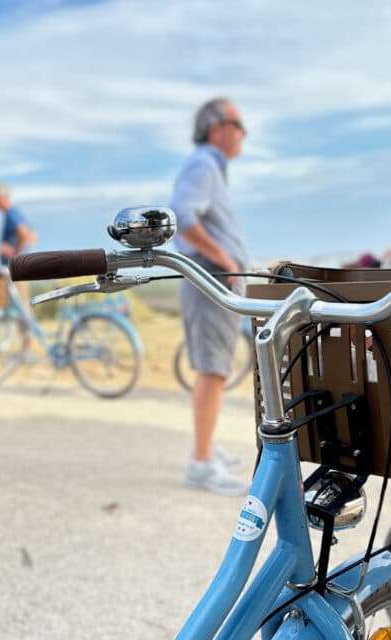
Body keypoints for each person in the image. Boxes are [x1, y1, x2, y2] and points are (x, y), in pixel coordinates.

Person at [170, 97, 250, 496]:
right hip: (211, 277)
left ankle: (206, 448)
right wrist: (224, 258)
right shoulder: (204, 163)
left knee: (213, 367)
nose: (245, 132)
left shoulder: (209, 166)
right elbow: (182, 216)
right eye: (239, 124)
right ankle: (201, 463)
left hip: (214, 277)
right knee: (213, 369)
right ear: (217, 126)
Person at [0, 182, 36, 307]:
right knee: (20, 304)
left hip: (16, 267)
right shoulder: (14, 213)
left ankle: (26, 327)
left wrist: (15, 252)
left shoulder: (11, 213)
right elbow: (32, 236)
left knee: (21, 305)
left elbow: (23, 233)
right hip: (20, 266)